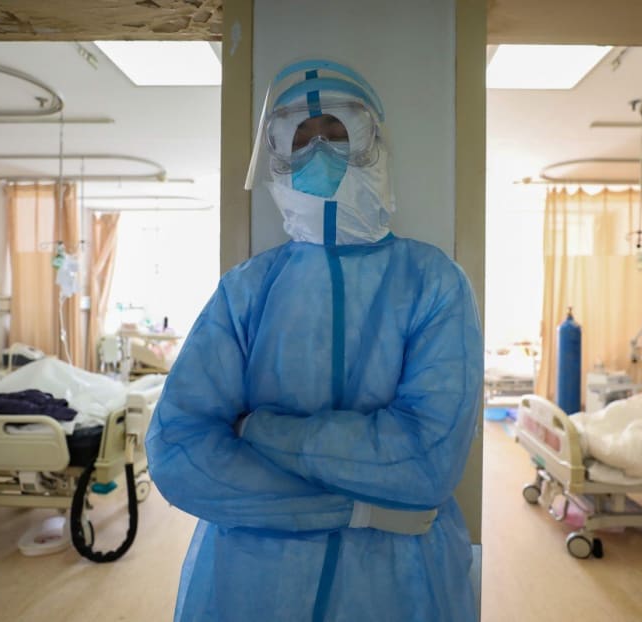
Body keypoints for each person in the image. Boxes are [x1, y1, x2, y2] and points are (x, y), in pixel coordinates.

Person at [145, 59, 483, 621]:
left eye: (336, 132)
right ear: (277, 154)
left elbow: (426, 460)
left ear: (372, 142)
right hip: (251, 589)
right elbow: (180, 452)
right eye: (302, 138)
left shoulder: (433, 281)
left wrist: (257, 431)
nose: (321, 151)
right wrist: (359, 509)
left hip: (398, 590)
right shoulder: (248, 289)